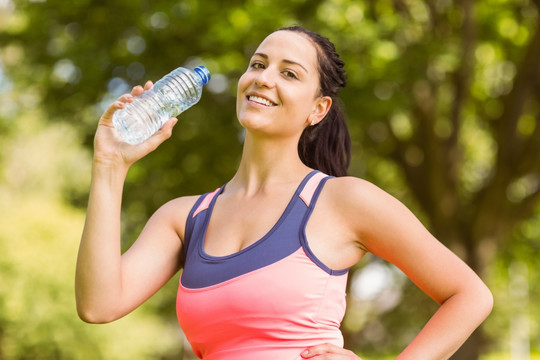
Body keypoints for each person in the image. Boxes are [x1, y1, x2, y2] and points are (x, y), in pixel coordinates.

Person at [75, 26, 493, 359]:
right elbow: (98, 305)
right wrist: (109, 166)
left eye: (288, 73)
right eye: (258, 64)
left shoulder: (343, 201)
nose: (263, 78)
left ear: (318, 109)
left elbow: (470, 296)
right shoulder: (185, 217)